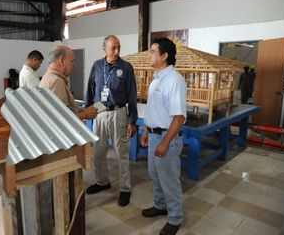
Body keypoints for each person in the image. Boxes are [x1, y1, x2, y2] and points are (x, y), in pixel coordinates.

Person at [140, 38, 187, 235]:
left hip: (166, 138)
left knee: (169, 180)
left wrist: (166, 142)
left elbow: (179, 116)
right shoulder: (157, 78)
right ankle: (160, 206)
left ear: (164, 55)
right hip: (153, 135)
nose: (149, 55)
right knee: (155, 175)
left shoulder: (174, 80)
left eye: (152, 51)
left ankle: (175, 218)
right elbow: (154, 109)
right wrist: (145, 130)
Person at [85, 35, 138, 207]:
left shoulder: (126, 67)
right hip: (99, 112)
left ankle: (125, 188)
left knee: (121, 153)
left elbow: (132, 94)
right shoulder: (97, 65)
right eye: (113, 48)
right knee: (98, 152)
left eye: (118, 48)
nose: (116, 51)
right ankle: (102, 181)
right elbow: (91, 89)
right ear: (104, 49)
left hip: (119, 112)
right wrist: (87, 111)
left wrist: (133, 120)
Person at [39, 45, 97, 119]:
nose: (74, 65)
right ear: (62, 60)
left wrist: (79, 110)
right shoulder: (56, 81)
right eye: (72, 61)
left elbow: (63, 110)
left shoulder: (48, 77)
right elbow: (60, 119)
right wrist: (85, 115)